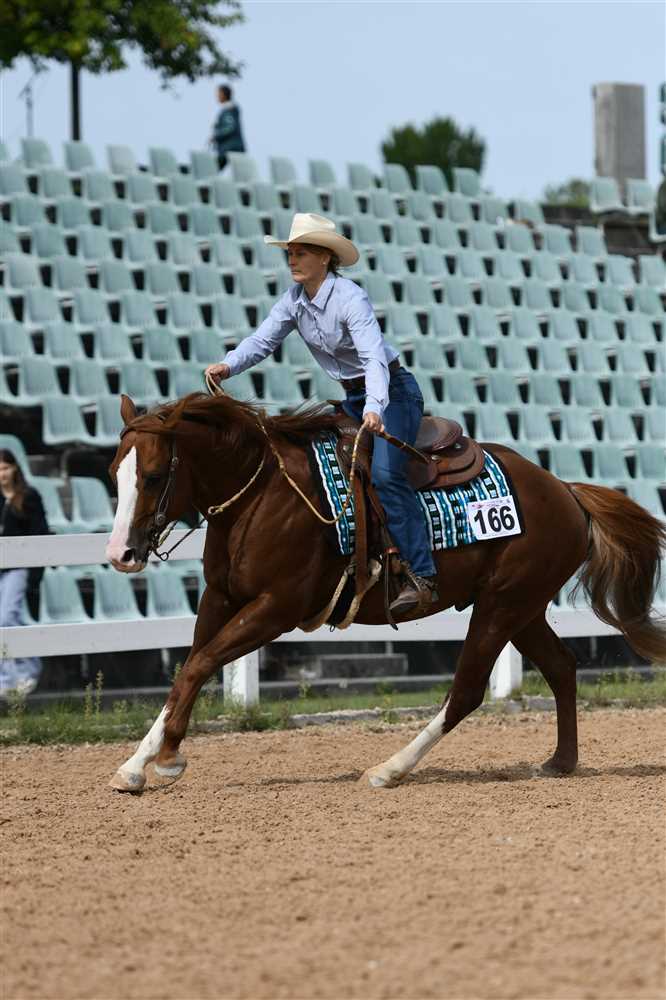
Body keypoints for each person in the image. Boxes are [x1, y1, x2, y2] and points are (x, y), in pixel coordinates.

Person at [206, 212, 438, 615]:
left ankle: (421, 573)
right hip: (352, 397)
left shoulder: (350, 298)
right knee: (318, 465)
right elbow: (262, 341)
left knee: (386, 474)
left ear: (325, 258)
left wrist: (375, 407)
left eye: (302, 253)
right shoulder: (293, 301)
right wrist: (228, 365)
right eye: (290, 253)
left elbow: (373, 358)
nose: (292, 260)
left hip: (392, 394)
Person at [0, 450, 49, 695]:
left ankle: (17, 675)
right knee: (6, 621)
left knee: (6, 619)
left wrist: (35, 575)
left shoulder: (29, 496)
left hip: (18, 567)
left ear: (15, 469)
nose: (2, 474)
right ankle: (19, 673)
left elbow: (40, 533)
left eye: (5, 468)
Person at [211, 83, 245, 171]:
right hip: (235, 147)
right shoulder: (231, 108)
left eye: (218, 94)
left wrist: (216, 135)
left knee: (211, 170)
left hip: (229, 148)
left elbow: (230, 127)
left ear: (223, 94)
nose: (217, 96)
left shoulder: (228, 109)